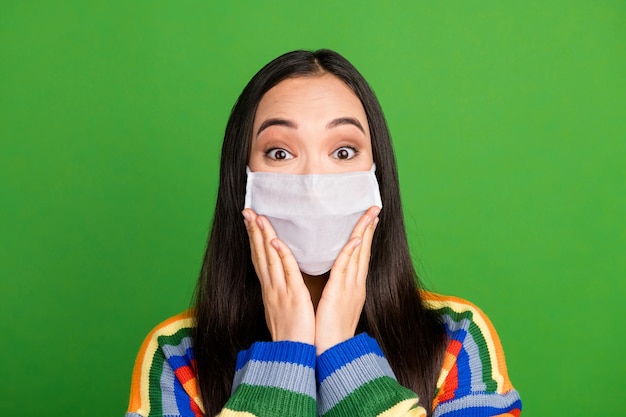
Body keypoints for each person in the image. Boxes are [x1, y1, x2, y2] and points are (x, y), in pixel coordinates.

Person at [126, 49, 522, 417]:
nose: (313, 182)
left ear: (378, 177)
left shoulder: (455, 338)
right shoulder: (176, 356)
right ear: (241, 182)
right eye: (280, 152)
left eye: (344, 151)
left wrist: (340, 349)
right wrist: (287, 352)